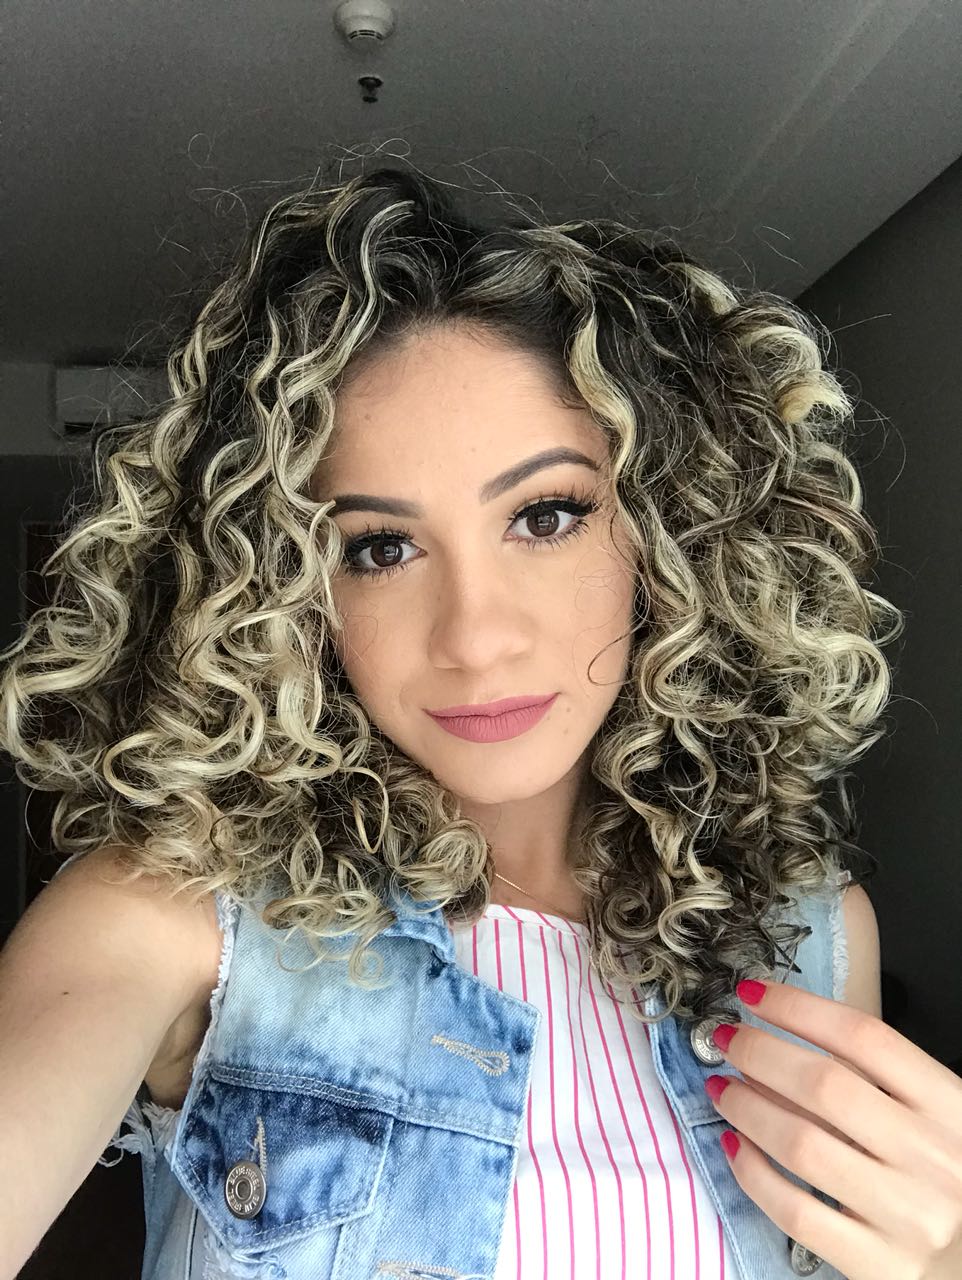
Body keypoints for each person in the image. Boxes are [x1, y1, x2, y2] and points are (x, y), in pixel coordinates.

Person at [1, 164, 959, 1280]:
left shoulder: (807, 934)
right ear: (288, 592)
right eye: (379, 547)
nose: (474, 635)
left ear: (668, 538)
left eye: (544, 516)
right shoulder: (171, 915)